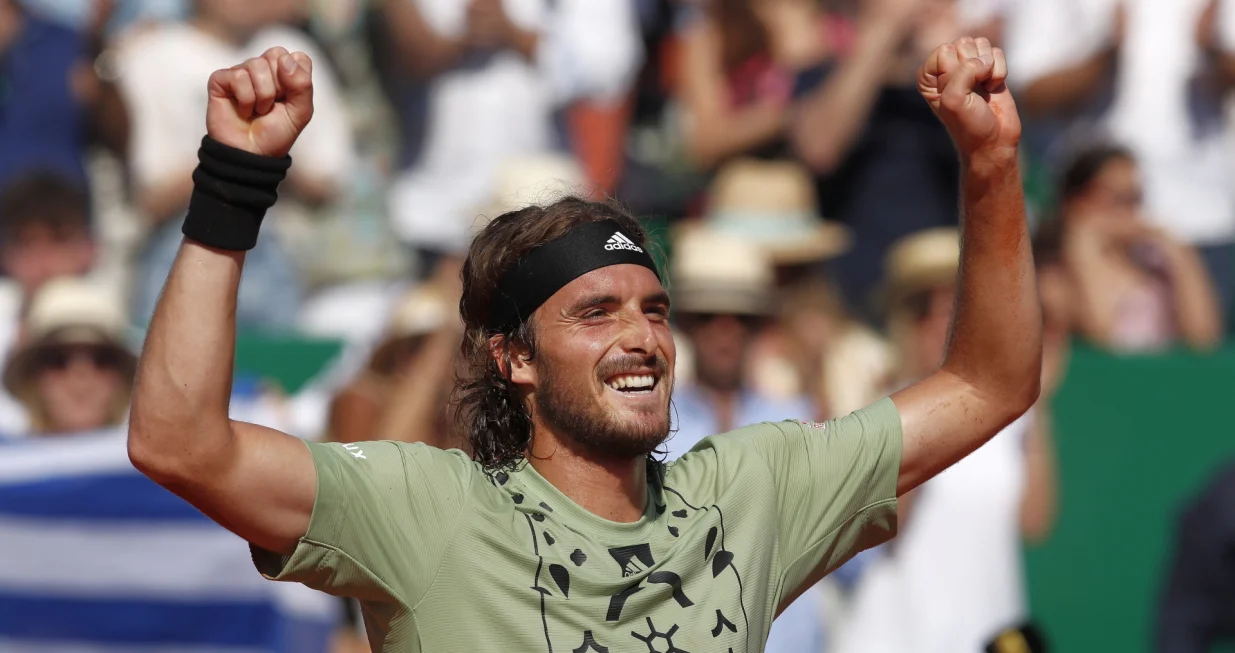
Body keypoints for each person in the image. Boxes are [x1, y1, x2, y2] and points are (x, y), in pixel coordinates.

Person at [128, 37, 1041, 651]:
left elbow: (990, 382)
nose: (642, 336)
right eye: (595, 312)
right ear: (513, 358)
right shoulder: (427, 507)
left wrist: (992, 166)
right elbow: (178, 443)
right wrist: (234, 182)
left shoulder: (749, 492)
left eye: (654, 308)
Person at [833, 227, 1057, 653]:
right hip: (901, 636)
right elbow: (887, 527)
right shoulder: (887, 407)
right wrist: (929, 400)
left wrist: (1036, 402)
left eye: (959, 307)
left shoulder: (1011, 413)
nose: (945, 323)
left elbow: (1034, 524)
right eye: (927, 309)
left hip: (989, 628)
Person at [111, 0, 354, 330]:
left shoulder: (291, 53)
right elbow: (150, 197)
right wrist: (235, 157)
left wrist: (262, 155)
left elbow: (327, 181)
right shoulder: (152, 53)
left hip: (276, 253)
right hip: (177, 246)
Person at [1006, 0, 1235, 318]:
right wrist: (1105, 54)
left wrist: (1212, 49)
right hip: (1095, 227)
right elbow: (1029, 93)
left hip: (1205, 223)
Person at [378, 0, 640, 267]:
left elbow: (609, 71)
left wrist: (519, 37)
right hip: (428, 212)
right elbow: (403, 53)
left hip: (537, 215)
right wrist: (459, 41)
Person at [1051, 144, 1223, 352]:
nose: (1128, 210)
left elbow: (1205, 339)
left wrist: (1181, 256)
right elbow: (1100, 337)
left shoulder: (1157, 266)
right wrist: (1082, 248)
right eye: (1115, 197)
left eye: (1134, 197)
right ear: (1076, 201)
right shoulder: (1051, 278)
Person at [2, 277, 134, 436]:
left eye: (102, 359)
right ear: (32, 377)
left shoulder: (158, 451)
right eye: (58, 360)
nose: (81, 375)